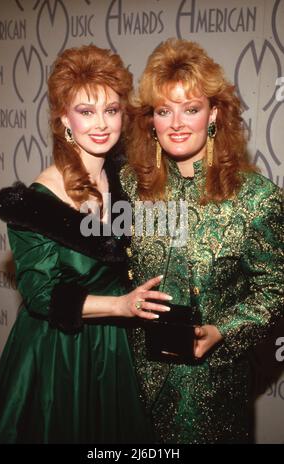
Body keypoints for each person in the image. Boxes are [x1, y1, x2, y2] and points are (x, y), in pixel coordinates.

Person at [0, 44, 171, 444]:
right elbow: (41, 296)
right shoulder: (37, 201)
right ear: (64, 119)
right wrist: (121, 305)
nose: (101, 123)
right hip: (57, 353)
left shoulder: (124, 184)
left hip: (112, 349)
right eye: (86, 111)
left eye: (111, 109)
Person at [120, 38, 284, 444]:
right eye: (164, 110)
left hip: (210, 392)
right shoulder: (129, 186)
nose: (177, 123)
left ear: (213, 114)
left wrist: (223, 330)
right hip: (134, 381)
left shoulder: (256, 198)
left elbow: (275, 288)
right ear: (151, 122)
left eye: (190, 109)